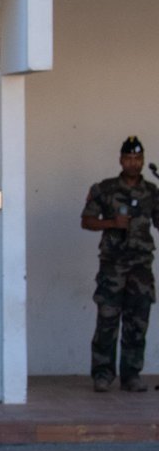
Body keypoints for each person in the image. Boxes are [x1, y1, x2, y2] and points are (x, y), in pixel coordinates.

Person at [80, 136, 159, 392]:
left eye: (138, 159)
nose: (133, 163)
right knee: (107, 321)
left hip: (141, 267)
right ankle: (102, 375)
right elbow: (87, 220)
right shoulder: (105, 189)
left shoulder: (152, 192)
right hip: (113, 266)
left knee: (138, 322)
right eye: (129, 158)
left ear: (143, 160)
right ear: (121, 160)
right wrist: (112, 223)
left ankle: (131, 375)